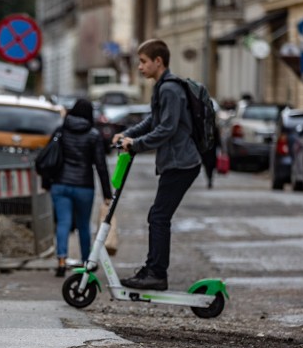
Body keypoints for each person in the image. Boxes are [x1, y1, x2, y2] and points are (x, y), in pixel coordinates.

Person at [112, 39, 201, 291]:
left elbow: (167, 129)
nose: (140, 67)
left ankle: (157, 274)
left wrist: (136, 144)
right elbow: (153, 120)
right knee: (157, 216)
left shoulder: (170, 89)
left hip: (181, 163)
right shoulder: (162, 87)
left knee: (159, 217)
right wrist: (126, 134)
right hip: (175, 162)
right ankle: (153, 269)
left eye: (143, 62)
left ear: (158, 61)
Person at [49, 99, 113, 277]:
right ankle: (86, 263)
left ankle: (61, 261)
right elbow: (101, 166)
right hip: (84, 186)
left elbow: (51, 155)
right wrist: (107, 194)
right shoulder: (93, 135)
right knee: (84, 225)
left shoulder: (61, 131)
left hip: (60, 184)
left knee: (63, 222)